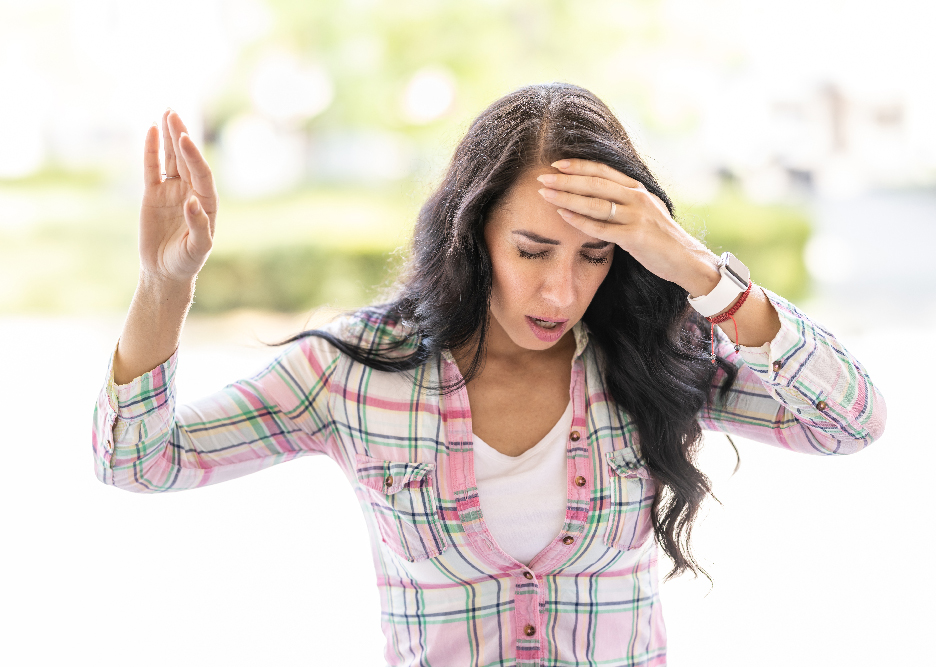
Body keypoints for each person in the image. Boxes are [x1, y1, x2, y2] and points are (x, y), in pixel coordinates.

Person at [92, 83, 886, 666]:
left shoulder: (658, 355)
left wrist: (699, 270)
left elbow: (851, 420)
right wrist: (166, 287)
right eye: (533, 250)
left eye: (596, 255)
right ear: (474, 235)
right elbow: (138, 459)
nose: (561, 291)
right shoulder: (354, 374)